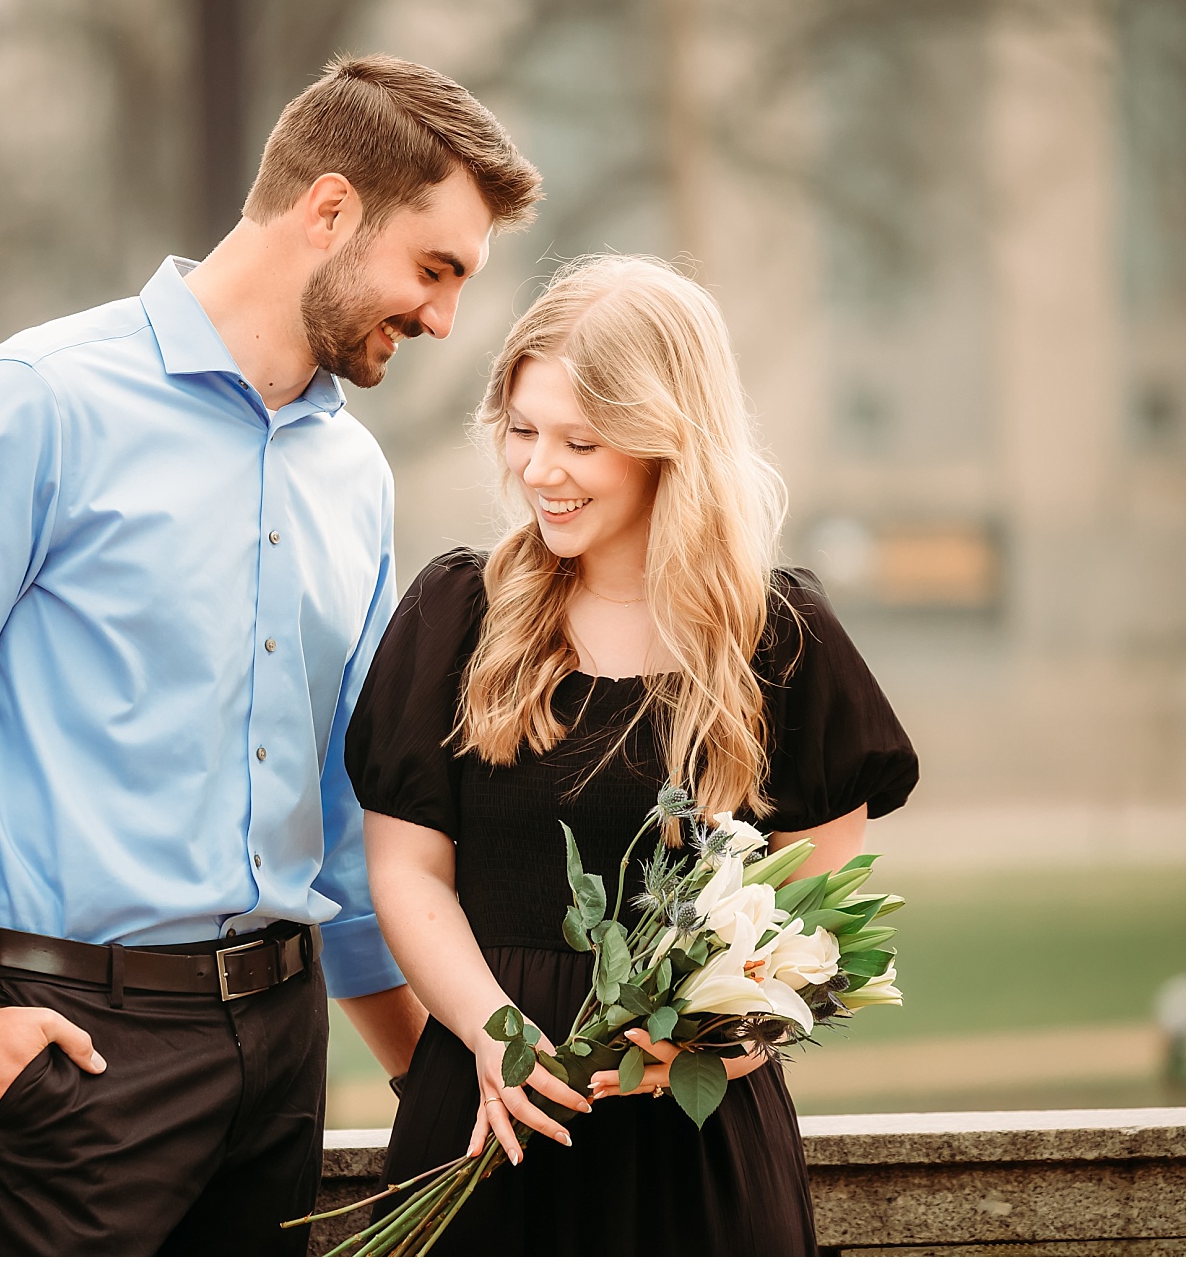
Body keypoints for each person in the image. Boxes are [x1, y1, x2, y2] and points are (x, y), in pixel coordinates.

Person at [0, 54, 548, 1255]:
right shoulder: (30, 405)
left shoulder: (349, 474)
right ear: (328, 209)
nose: (442, 317)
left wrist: (432, 1075)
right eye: (433, 268)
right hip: (70, 1052)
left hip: (281, 1045)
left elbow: (350, 805)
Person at [347, 253, 920, 1254]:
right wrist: (501, 1040)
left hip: (693, 1152)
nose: (537, 469)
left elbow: (809, 930)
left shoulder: (781, 642)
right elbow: (402, 871)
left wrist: (714, 1049)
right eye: (521, 431)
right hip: (486, 1121)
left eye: (580, 440)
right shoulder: (455, 616)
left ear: (668, 441)